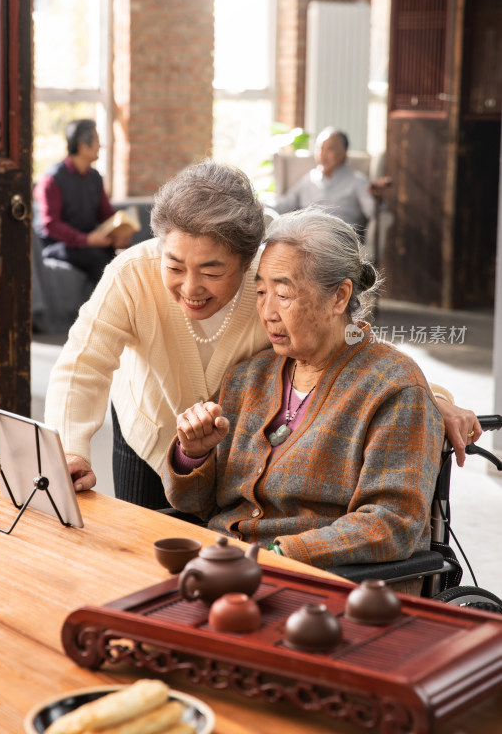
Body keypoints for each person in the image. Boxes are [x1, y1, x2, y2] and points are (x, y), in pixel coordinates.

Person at [44, 160, 480, 510]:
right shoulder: (132, 273)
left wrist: (432, 397)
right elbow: (82, 363)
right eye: (175, 266)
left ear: (247, 258)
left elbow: (349, 338)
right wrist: (69, 451)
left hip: (237, 444)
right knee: (141, 551)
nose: (190, 288)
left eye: (212, 270)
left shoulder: (273, 274)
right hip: (151, 426)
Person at [160, 208, 444, 579]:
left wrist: (283, 554)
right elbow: (196, 504)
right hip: (225, 565)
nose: (267, 311)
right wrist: (193, 454)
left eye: (283, 293)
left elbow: (393, 523)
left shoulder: (394, 387)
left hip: (320, 583)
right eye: (261, 292)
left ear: (340, 297)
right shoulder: (248, 377)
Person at [34, 118, 131, 284]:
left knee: (127, 257)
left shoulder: (94, 177)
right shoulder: (52, 180)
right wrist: (86, 240)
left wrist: (119, 234)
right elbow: (51, 225)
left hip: (89, 241)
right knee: (97, 259)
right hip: (58, 245)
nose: (100, 146)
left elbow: (106, 214)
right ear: (82, 146)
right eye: (97, 141)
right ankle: (104, 309)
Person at [274, 127, 391, 240]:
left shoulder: (357, 180)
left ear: (343, 154)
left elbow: (373, 212)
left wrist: (377, 199)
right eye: (320, 148)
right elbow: (283, 204)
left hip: (340, 240)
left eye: (329, 149)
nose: (323, 153)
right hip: (307, 237)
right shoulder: (309, 179)